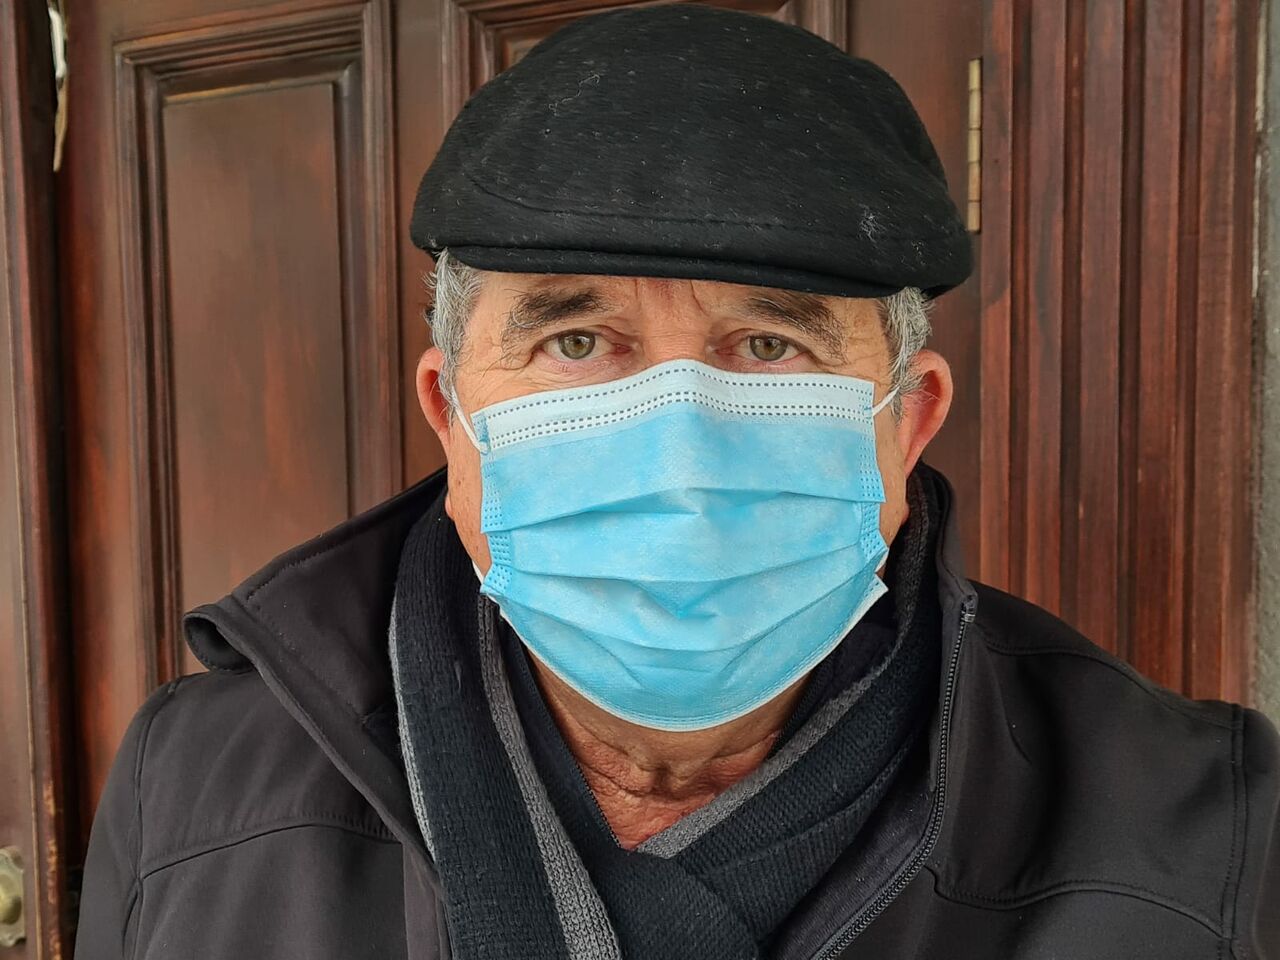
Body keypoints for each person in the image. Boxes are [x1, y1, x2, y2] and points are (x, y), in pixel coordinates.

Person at [74, 6, 1278, 958]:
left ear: (906, 421)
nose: (679, 452)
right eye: (575, 342)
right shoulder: (195, 786)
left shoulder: (1200, 830)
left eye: (768, 345)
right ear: (452, 413)